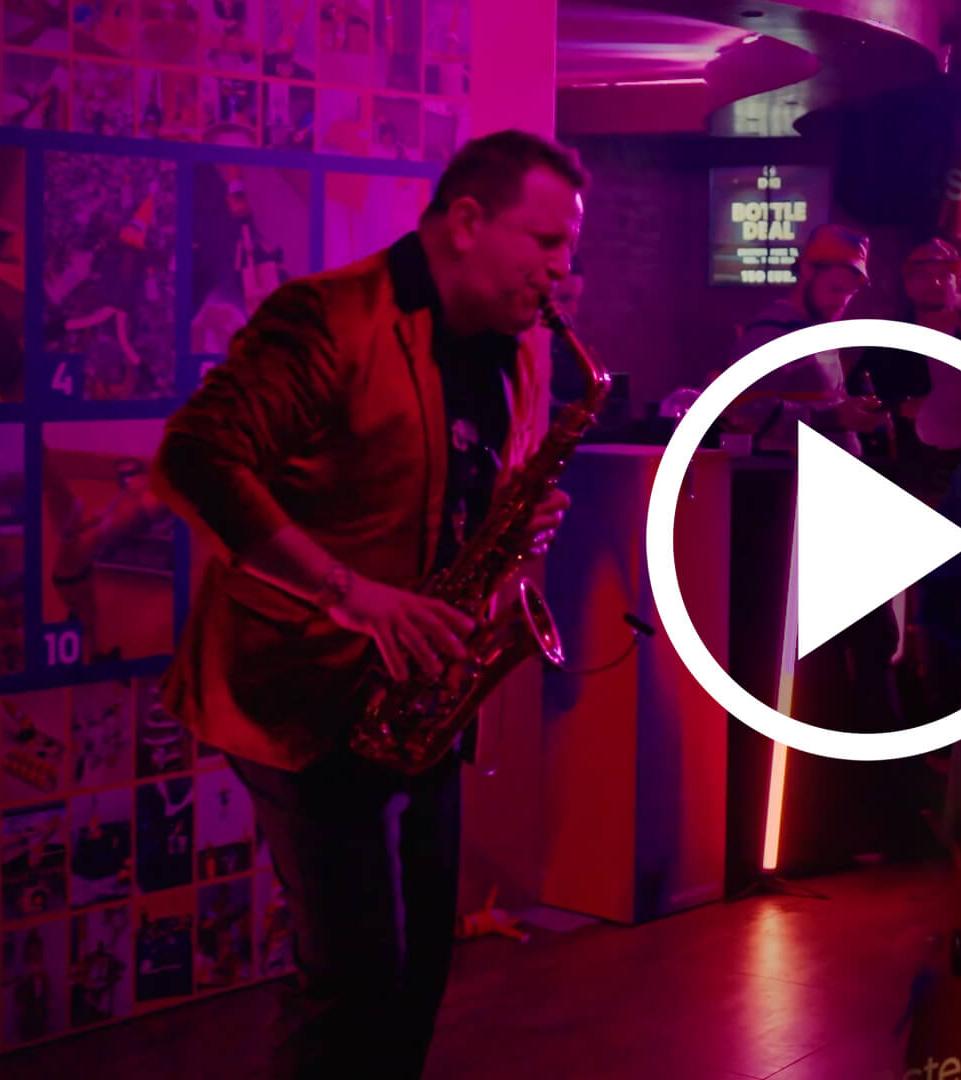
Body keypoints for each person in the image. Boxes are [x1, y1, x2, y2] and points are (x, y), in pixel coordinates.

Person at [150, 129, 581, 1080]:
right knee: (351, 982)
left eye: (568, 250)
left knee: (418, 969)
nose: (560, 269)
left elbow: (448, 498)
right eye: (546, 242)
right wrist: (350, 596)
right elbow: (195, 459)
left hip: (416, 700)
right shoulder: (326, 317)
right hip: (301, 691)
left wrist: (516, 522)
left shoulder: (518, 355)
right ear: (466, 222)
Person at [722, 222, 886, 455]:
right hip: (787, 473)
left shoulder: (818, 331)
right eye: (835, 289)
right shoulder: (770, 334)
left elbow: (825, 402)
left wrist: (859, 415)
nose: (841, 302)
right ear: (807, 270)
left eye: (850, 293)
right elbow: (744, 413)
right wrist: (834, 417)